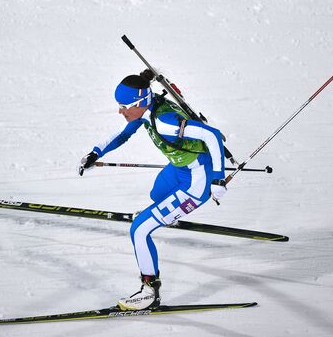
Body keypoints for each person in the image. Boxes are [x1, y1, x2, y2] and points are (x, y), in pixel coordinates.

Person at [78, 69, 228, 311]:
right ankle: (164, 214)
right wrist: (96, 152)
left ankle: (149, 292)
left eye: (124, 106)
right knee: (156, 196)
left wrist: (218, 180)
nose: (120, 111)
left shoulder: (165, 123)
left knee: (138, 230)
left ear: (139, 103)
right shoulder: (148, 109)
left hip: (196, 182)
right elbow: (122, 135)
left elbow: (212, 136)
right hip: (179, 170)